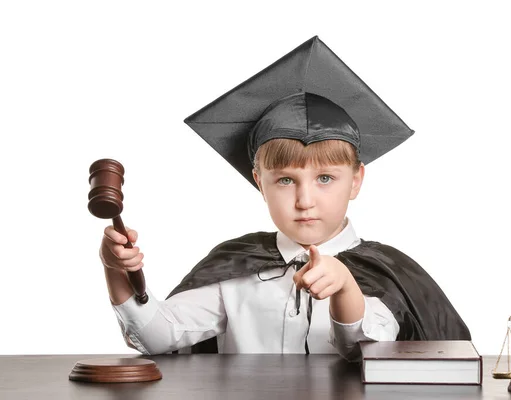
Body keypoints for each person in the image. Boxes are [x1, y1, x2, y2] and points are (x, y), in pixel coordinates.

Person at [100, 36, 471, 361]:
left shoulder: (386, 274)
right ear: (259, 182)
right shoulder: (235, 269)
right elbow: (156, 337)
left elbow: (364, 351)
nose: (304, 200)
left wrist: (345, 286)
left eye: (325, 178)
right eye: (285, 180)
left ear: (356, 181)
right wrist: (116, 271)